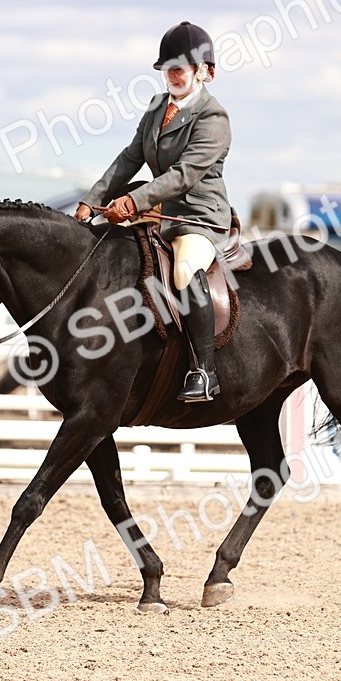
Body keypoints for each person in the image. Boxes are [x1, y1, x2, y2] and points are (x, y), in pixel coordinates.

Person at [74, 21, 231, 402]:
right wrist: (92, 199)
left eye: (179, 68)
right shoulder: (158, 107)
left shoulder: (213, 118)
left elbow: (183, 175)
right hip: (159, 214)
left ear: (204, 71)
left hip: (197, 217)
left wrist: (132, 202)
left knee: (183, 267)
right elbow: (130, 157)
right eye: (167, 69)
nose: (171, 75)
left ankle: (205, 371)